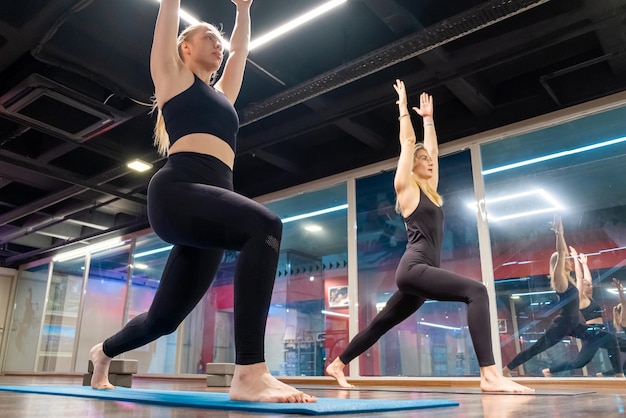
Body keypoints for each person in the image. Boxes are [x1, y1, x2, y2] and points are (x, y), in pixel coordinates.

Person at [89, 0, 315, 403]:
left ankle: (102, 353)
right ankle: (249, 372)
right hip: (177, 193)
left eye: (219, 38)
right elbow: (168, 12)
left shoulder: (223, 95)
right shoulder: (172, 77)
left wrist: (244, 10)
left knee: (163, 320)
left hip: (209, 204)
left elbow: (241, 51)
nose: (218, 43)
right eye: (207, 36)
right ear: (185, 49)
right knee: (264, 225)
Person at [325, 80, 533, 393]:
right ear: (412, 166)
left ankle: (337, 365)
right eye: (423, 160)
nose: (429, 161)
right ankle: (490, 375)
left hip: (418, 279)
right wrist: (403, 110)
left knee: (381, 323)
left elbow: (432, 148)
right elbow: (409, 144)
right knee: (476, 292)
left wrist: (429, 120)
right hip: (413, 268)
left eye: (429, 160)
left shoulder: (431, 192)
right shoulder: (406, 189)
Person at [502, 217, 622, 378]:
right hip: (563, 324)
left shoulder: (569, 280)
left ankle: (619, 374)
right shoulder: (560, 282)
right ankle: (507, 369)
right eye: (567, 260)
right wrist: (559, 233)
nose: (569, 262)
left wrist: (566, 240)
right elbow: (561, 254)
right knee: (536, 348)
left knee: (608, 339)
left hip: (574, 323)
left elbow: (575, 270)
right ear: (559, 263)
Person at [540, 247, 623, 378]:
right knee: (582, 361)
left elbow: (587, 279)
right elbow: (580, 278)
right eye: (587, 285)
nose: (590, 285)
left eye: (589, 284)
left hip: (600, 331)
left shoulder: (590, 297)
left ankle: (612, 373)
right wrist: (575, 260)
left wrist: (584, 263)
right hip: (592, 332)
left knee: (584, 360)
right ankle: (549, 371)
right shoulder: (581, 299)